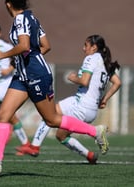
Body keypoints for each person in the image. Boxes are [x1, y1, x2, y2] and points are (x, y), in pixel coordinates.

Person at [0, 0, 109, 176]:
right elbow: (46, 45)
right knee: (4, 114)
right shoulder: (32, 18)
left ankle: (95, 132)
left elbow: (25, 46)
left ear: (8, 4)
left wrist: (4, 55)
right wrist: (25, 58)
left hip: (36, 75)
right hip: (23, 76)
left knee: (52, 119)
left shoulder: (20, 20)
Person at [17, 34, 121, 164]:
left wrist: (73, 78)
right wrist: (105, 99)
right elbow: (117, 82)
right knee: (60, 134)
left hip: (81, 105)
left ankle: (35, 147)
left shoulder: (92, 58)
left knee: (49, 116)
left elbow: (84, 81)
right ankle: (89, 155)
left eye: (86, 45)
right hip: (90, 108)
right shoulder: (104, 62)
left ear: (94, 47)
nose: (83, 48)